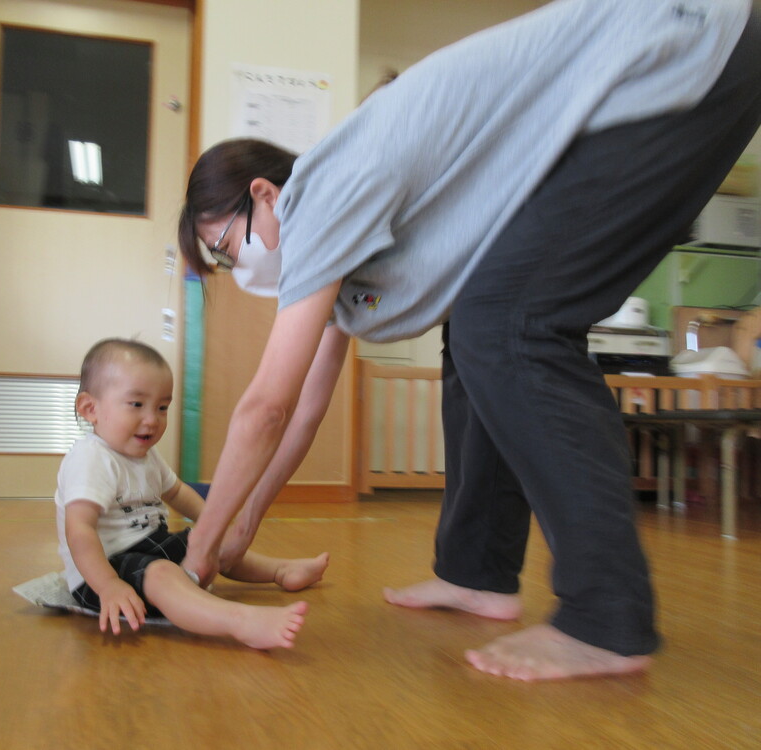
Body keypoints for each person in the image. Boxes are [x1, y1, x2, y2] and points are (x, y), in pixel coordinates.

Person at [176, 0, 761, 680]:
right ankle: (478, 572)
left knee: (509, 326)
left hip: (678, 50)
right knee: (479, 331)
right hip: (680, 61)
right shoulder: (336, 267)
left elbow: (263, 409)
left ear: (265, 195)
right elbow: (304, 409)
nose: (238, 268)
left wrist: (199, 551)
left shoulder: (320, 199)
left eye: (226, 246)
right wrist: (242, 526)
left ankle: (607, 616)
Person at [55, 338, 328, 649]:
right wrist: (108, 586)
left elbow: (179, 493)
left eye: (162, 407)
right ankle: (239, 622)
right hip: (105, 567)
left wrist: (213, 529)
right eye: (136, 404)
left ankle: (280, 570)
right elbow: (79, 530)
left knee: (208, 546)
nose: (152, 419)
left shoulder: (146, 456)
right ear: (91, 409)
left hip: (150, 545)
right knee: (160, 574)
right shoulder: (91, 459)